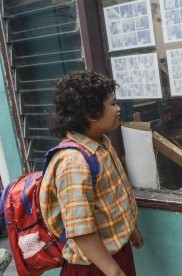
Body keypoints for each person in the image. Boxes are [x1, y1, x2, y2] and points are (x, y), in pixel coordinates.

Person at [40, 71, 143, 276]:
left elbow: (112, 197)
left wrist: (131, 229)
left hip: (114, 254)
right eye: (112, 104)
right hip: (93, 266)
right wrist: (113, 271)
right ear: (91, 114)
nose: (118, 109)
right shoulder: (73, 162)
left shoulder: (102, 144)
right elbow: (80, 230)